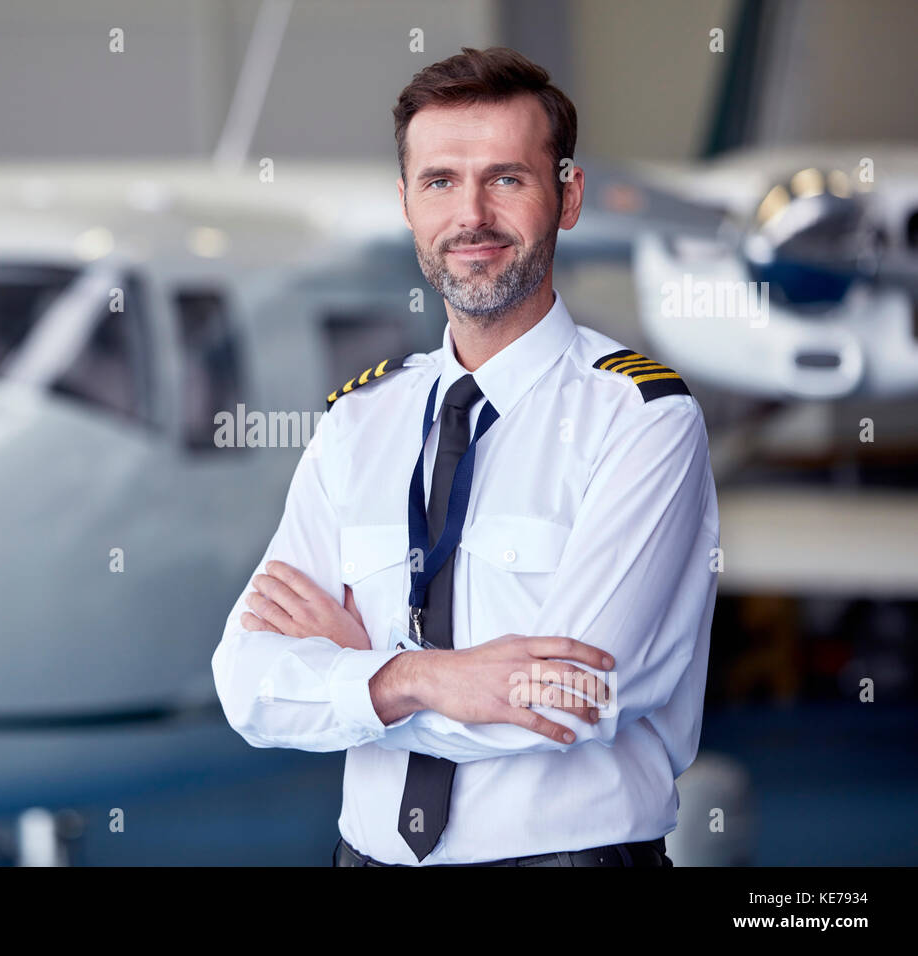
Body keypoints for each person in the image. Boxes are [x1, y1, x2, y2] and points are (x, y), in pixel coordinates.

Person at [210, 46, 719, 867]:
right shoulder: (357, 422)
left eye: (508, 179)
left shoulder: (641, 418)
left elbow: (569, 701)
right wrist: (419, 679)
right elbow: (246, 684)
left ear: (568, 195)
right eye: (440, 181)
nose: (471, 215)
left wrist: (355, 671)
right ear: (407, 205)